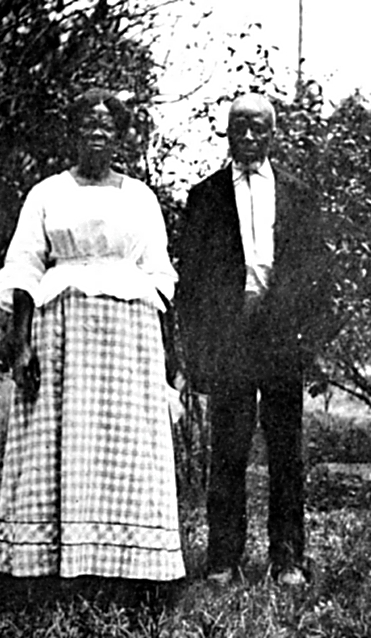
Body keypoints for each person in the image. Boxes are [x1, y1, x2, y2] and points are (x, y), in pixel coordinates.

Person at [0, 89, 185, 595]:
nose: (97, 134)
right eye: (88, 125)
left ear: (120, 137)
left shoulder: (139, 197)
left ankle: (128, 568)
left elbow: (158, 274)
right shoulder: (47, 193)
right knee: (55, 440)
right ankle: (45, 565)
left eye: (108, 127)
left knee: (125, 444)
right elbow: (26, 268)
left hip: (128, 338)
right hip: (62, 334)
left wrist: (164, 365)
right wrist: (23, 343)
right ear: (73, 132)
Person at [177, 93, 329, 586]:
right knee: (229, 450)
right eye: (239, 126)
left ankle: (287, 559)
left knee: (287, 451)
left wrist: (308, 338)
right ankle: (223, 559)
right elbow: (192, 283)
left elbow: (317, 274)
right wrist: (199, 351)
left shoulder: (299, 195)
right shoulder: (206, 195)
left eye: (258, 127)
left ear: (272, 133)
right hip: (230, 338)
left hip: (281, 335)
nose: (248, 135)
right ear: (226, 132)